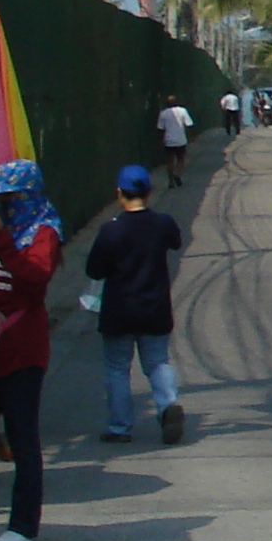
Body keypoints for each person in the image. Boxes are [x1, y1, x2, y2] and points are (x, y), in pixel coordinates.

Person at [87, 164, 187, 446]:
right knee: (157, 362)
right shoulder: (163, 223)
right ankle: (168, 407)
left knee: (117, 368)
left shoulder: (111, 230)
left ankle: (119, 427)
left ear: (119, 193)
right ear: (148, 192)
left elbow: (94, 270)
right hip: (155, 308)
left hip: (119, 310)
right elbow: (176, 242)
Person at [0, 203, 60, 541]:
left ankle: (23, 525)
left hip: (21, 356)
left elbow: (34, 277)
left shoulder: (42, 232)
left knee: (22, 439)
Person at [154, 95, 193, 188]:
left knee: (170, 161)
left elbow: (160, 128)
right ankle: (177, 173)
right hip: (181, 139)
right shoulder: (183, 111)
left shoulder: (163, 113)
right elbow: (189, 124)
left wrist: (161, 140)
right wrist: (191, 137)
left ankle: (171, 182)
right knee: (180, 159)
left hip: (168, 140)